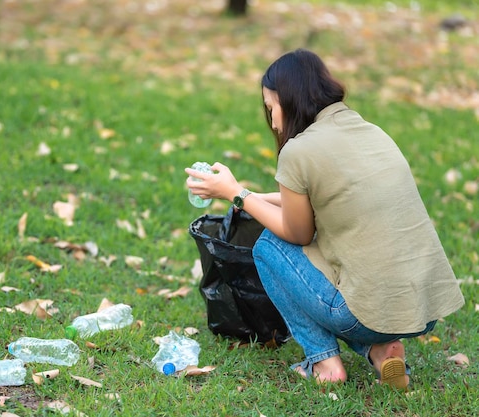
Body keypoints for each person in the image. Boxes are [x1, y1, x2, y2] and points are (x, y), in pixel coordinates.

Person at [185, 49, 465, 389]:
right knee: (330, 253)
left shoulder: (299, 151)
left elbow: (297, 231)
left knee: (269, 247)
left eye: (271, 109)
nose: (273, 122)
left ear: (288, 100)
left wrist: (237, 195)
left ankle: (325, 364)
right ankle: (382, 349)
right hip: (420, 305)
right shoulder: (368, 131)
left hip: (367, 311)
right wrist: (242, 193)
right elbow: (321, 198)